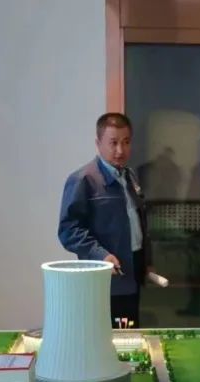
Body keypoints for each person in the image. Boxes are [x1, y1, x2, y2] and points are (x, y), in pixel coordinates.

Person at [58, 113, 152, 326]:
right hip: (105, 277)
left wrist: (147, 262)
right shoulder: (83, 180)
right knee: (108, 335)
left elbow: (139, 224)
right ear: (98, 143)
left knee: (129, 331)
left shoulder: (129, 176)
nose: (120, 150)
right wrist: (101, 255)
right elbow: (68, 230)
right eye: (113, 143)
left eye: (126, 142)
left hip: (133, 271)